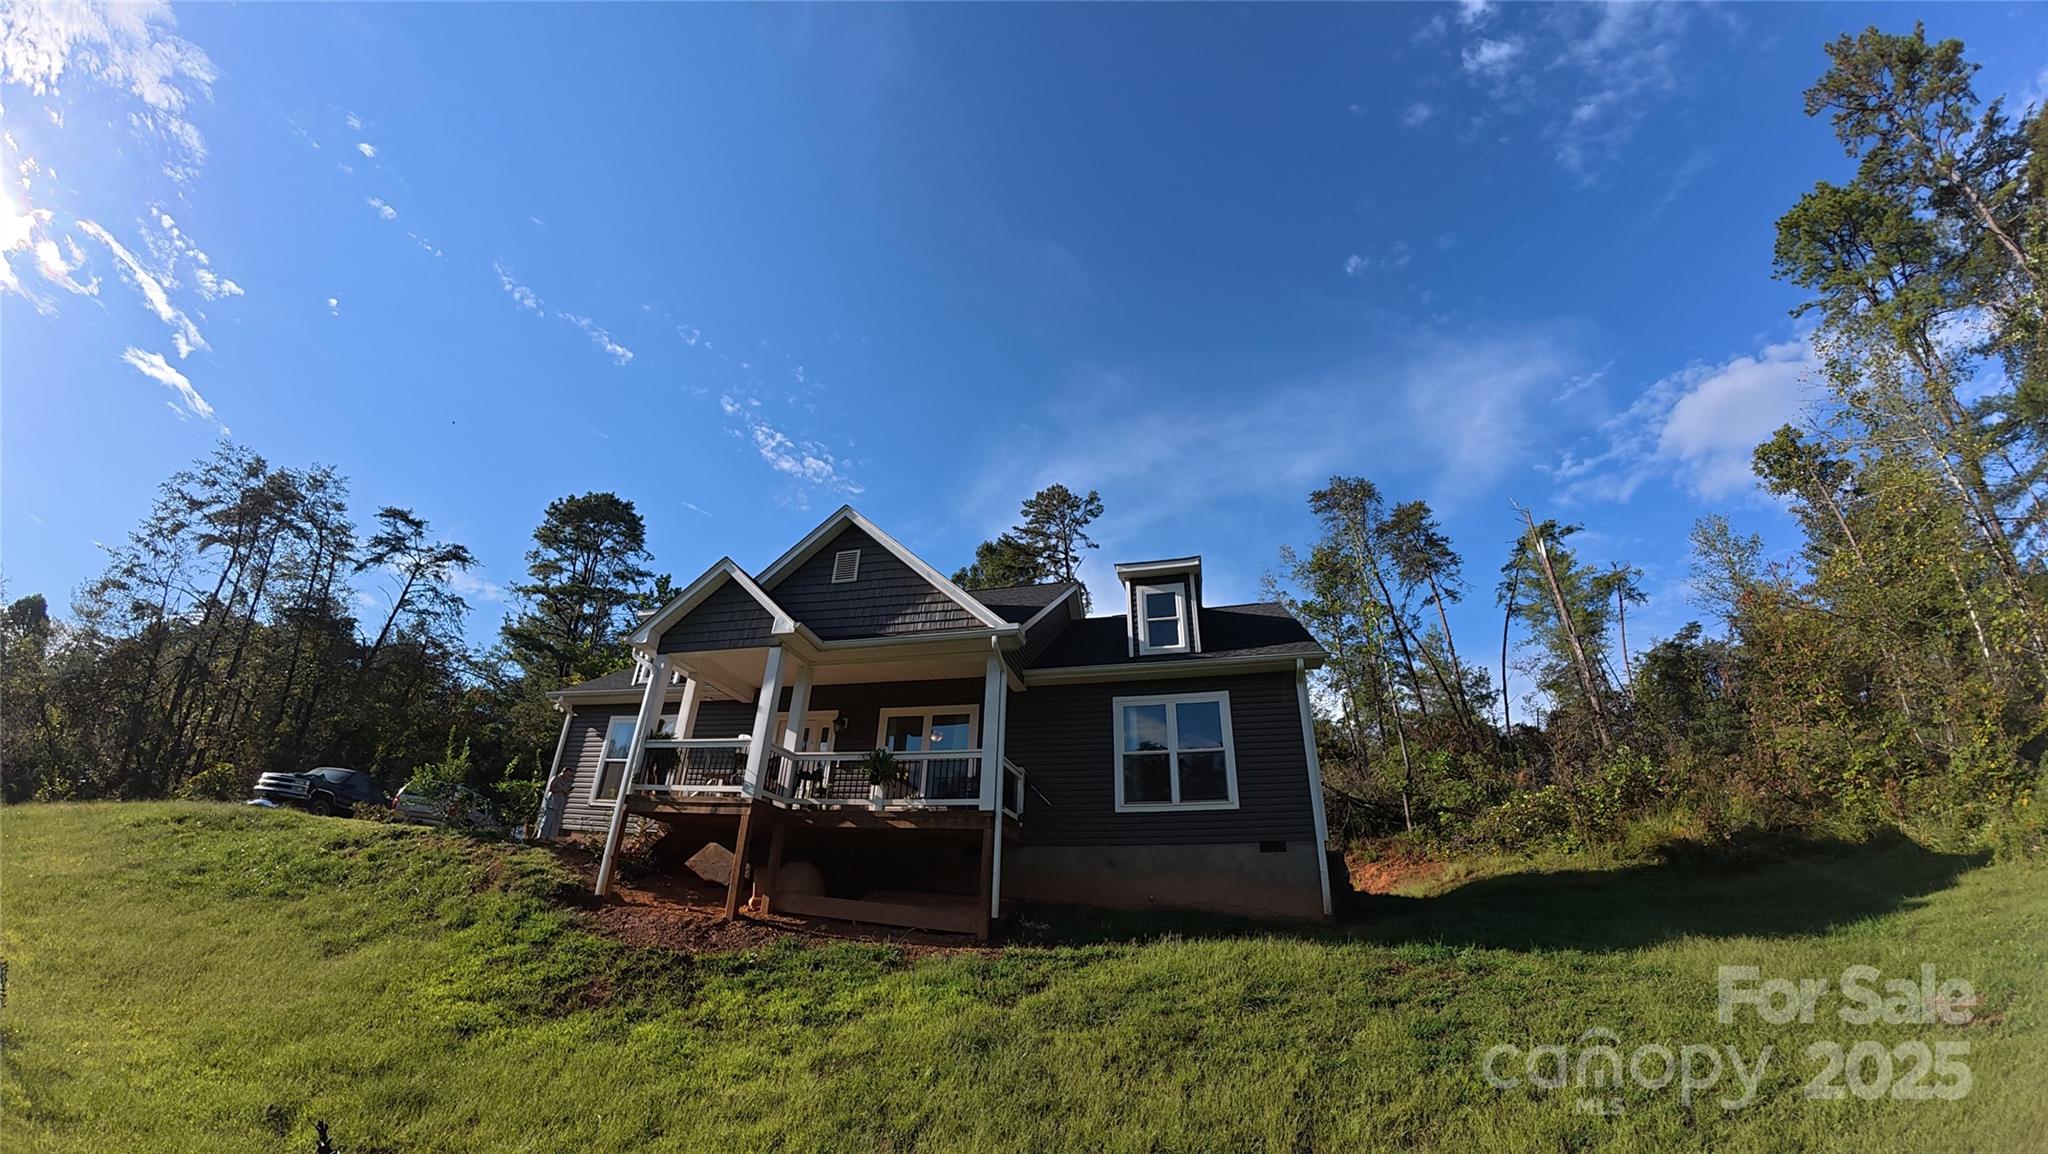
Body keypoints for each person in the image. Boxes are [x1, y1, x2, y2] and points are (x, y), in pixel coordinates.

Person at [536, 762, 574, 840]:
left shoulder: (565, 782)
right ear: (563, 772)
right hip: (553, 801)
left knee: (556, 820)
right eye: (567, 774)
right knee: (548, 819)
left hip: (560, 802)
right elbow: (551, 788)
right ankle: (542, 836)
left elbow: (564, 790)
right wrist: (561, 789)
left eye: (569, 775)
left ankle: (551, 837)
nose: (568, 776)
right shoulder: (556, 778)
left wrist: (567, 791)